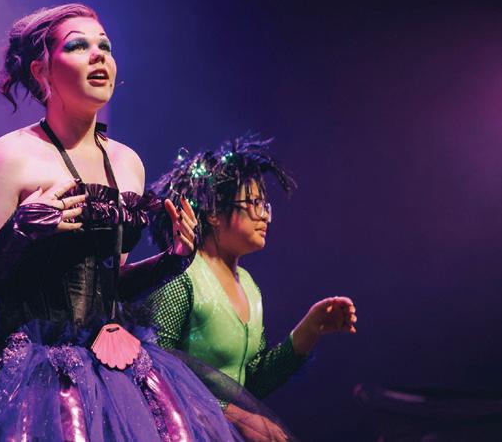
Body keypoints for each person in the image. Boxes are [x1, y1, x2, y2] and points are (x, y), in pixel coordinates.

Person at [0, 3, 241, 441]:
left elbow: (113, 283)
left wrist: (171, 260)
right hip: (31, 374)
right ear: (42, 71)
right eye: (79, 46)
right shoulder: (11, 156)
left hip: (114, 366)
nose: (99, 55)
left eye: (106, 47)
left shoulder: (128, 162)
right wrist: (18, 232)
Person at [148, 137, 358, 441]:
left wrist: (310, 329)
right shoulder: (181, 278)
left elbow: (251, 385)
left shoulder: (248, 285)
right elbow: (151, 370)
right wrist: (232, 415)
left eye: (265, 205)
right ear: (213, 212)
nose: (265, 215)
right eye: (253, 204)